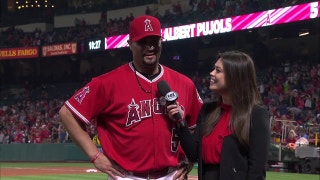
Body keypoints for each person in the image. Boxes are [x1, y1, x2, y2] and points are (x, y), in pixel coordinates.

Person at [59, 15, 203, 180]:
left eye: (154, 41)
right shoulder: (107, 83)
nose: (150, 47)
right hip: (126, 176)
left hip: (171, 175)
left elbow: (198, 128)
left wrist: (190, 159)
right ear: (130, 44)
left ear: (161, 43)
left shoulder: (184, 83)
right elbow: (67, 113)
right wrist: (95, 156)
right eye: (143, 42)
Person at [167, 51, 270, 180]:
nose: (211, 73)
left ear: (234, 77)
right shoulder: (207, 110)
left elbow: (257, 171)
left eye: (218, 70)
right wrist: (180, 122)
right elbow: (194, 154)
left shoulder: (256, 115)